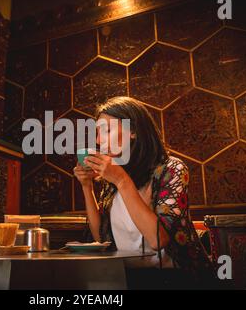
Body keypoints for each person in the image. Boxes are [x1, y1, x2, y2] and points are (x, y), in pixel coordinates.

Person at [73, 96, 215, 289]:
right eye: (97, 133)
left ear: (133, 131)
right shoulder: (113, 177)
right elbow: (101, 239)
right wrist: (86, 186)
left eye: (106, 129)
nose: (98, 140)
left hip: (175, 279)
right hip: (127, 278)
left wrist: (122, 180)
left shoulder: (171, 169)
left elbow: (159, 240)